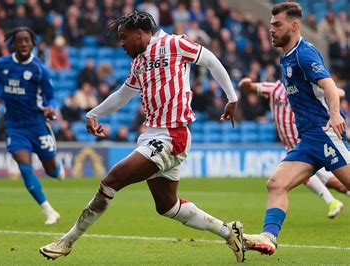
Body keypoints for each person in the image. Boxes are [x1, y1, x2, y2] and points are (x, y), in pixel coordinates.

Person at [40, 11, 245, 262]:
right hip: (153, 135)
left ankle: (67, 241)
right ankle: (229, 231)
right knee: (168, 206)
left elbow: (211, 60)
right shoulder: (138, 62)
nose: (122, 43)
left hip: (172, 135)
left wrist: (232, 98)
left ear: (139, 33)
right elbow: (122, 95)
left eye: (124, 38)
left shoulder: (173, 43)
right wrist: (93, 113)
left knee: (112, 180)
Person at [243, 3, 350, 256]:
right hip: (307, 141)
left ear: (294, 25)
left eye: (277, 25)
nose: (271, 30)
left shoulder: (305, 54)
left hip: (325, 134)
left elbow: (329, 85)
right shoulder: (286, 56)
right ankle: (269, 237)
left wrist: (334, 114)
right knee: (276, 183)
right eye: (270, 25)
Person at [239, 78, 348, 218]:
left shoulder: (304, 89)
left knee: (337, 183)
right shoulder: (274, 88)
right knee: (281, 183)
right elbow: (250, 88)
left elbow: (334, 91)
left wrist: (336, 91)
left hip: (309, 143)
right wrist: (245, 85)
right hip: (297, 147)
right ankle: (332, 202)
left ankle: (332, 202)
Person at [0, 26, 65, 225]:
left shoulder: (40, 69)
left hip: (38, 124)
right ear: (13, 44)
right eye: (19, 40)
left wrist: (51, 108)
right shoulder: (3, 64)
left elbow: (51, 97)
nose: (23, 43)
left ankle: (57, 169)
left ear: (32, 43)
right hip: (15, 126)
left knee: (51, 171)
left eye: (27, 40)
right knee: (24, 168)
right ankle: (49, 210)